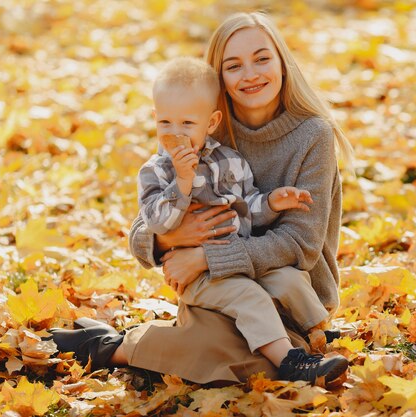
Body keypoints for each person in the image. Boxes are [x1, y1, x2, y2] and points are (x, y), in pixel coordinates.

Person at [47, 11, 353, 385]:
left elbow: (301, 244)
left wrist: (205, 255)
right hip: (221, 287)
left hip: (293, 290)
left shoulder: (312, 135)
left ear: (282, 64)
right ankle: (114, 346)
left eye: (262, 58)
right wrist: (168, 240)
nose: (251, 74)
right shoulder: (198, 125)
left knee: (250, 364)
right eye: (233, 65)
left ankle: (114, 347)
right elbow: (145, 224)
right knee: (242, 347)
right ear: (218, 78)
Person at [133, 56, 346, 381]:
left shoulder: (230, 160)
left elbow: (247, 211)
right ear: (155, 119)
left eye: (187, 124)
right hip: (199, 279)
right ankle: (290, 362)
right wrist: (183, 182)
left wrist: (272, 203)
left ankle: (317, 331)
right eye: (165, 124)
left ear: (212, 121)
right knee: (249, 297)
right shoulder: (155, 172)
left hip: (238, 259)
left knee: (287, 279)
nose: (176, 134)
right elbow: (155, 222)